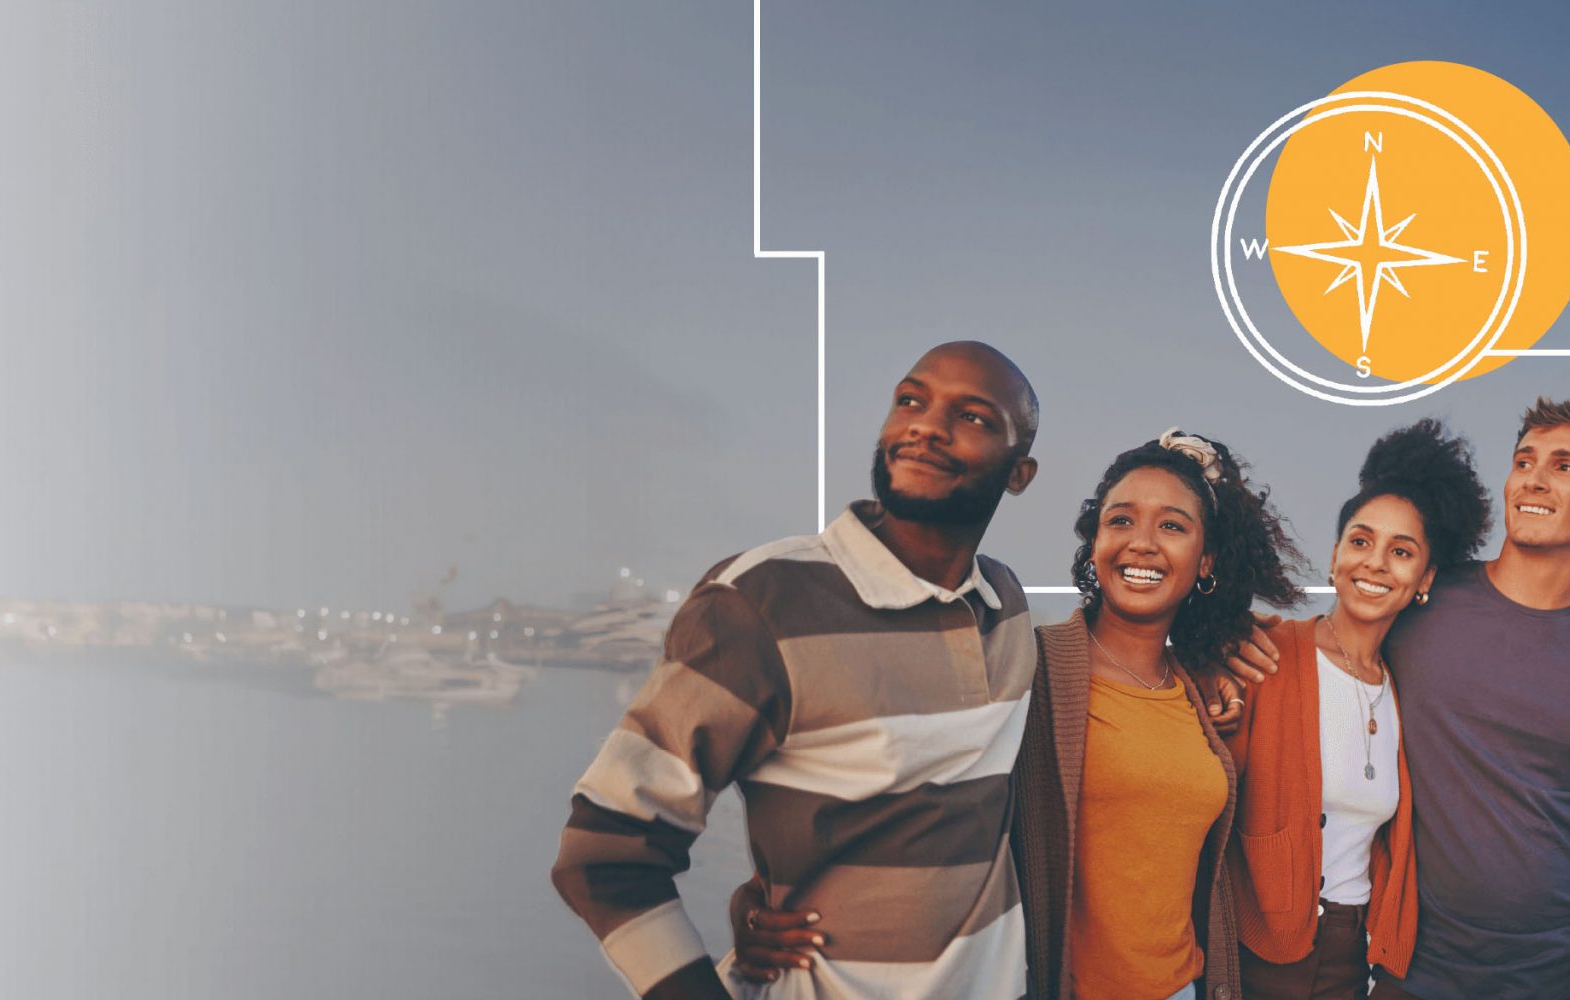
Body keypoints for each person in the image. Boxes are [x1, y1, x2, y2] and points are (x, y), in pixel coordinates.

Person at [548, 342, 1045, 998]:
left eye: (974, 416)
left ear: (1019, 474)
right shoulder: (760, 602)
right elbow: (604, 857)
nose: (925, 424)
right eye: (910, 400)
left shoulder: (1004, 605)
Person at [737, 428, 1303, 1000]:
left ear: (1204, 560)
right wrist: (766, 889)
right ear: (1095, 542)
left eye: (1173, 526)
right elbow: (900, 772)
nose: (1143, 543)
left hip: (1185, 988)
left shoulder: (1199, 693)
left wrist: (1218, 653)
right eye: (1121, 520)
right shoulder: (1024, 665)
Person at [1227, 399, 1570, 1000]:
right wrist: (1227, 644)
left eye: (1565, 466)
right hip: (1414, 974)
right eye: (1524, 460)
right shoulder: (1421, 603)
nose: (1534, 478)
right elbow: (1329, 641)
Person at [1226, 419, 1490, 999]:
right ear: (1335, 555)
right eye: (1361, 541)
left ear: (1424, 579)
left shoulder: (1404, 688)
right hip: (1256, 948)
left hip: (1352, 954)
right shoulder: (1263, 652)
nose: (1374, 563)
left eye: (1401, 552)